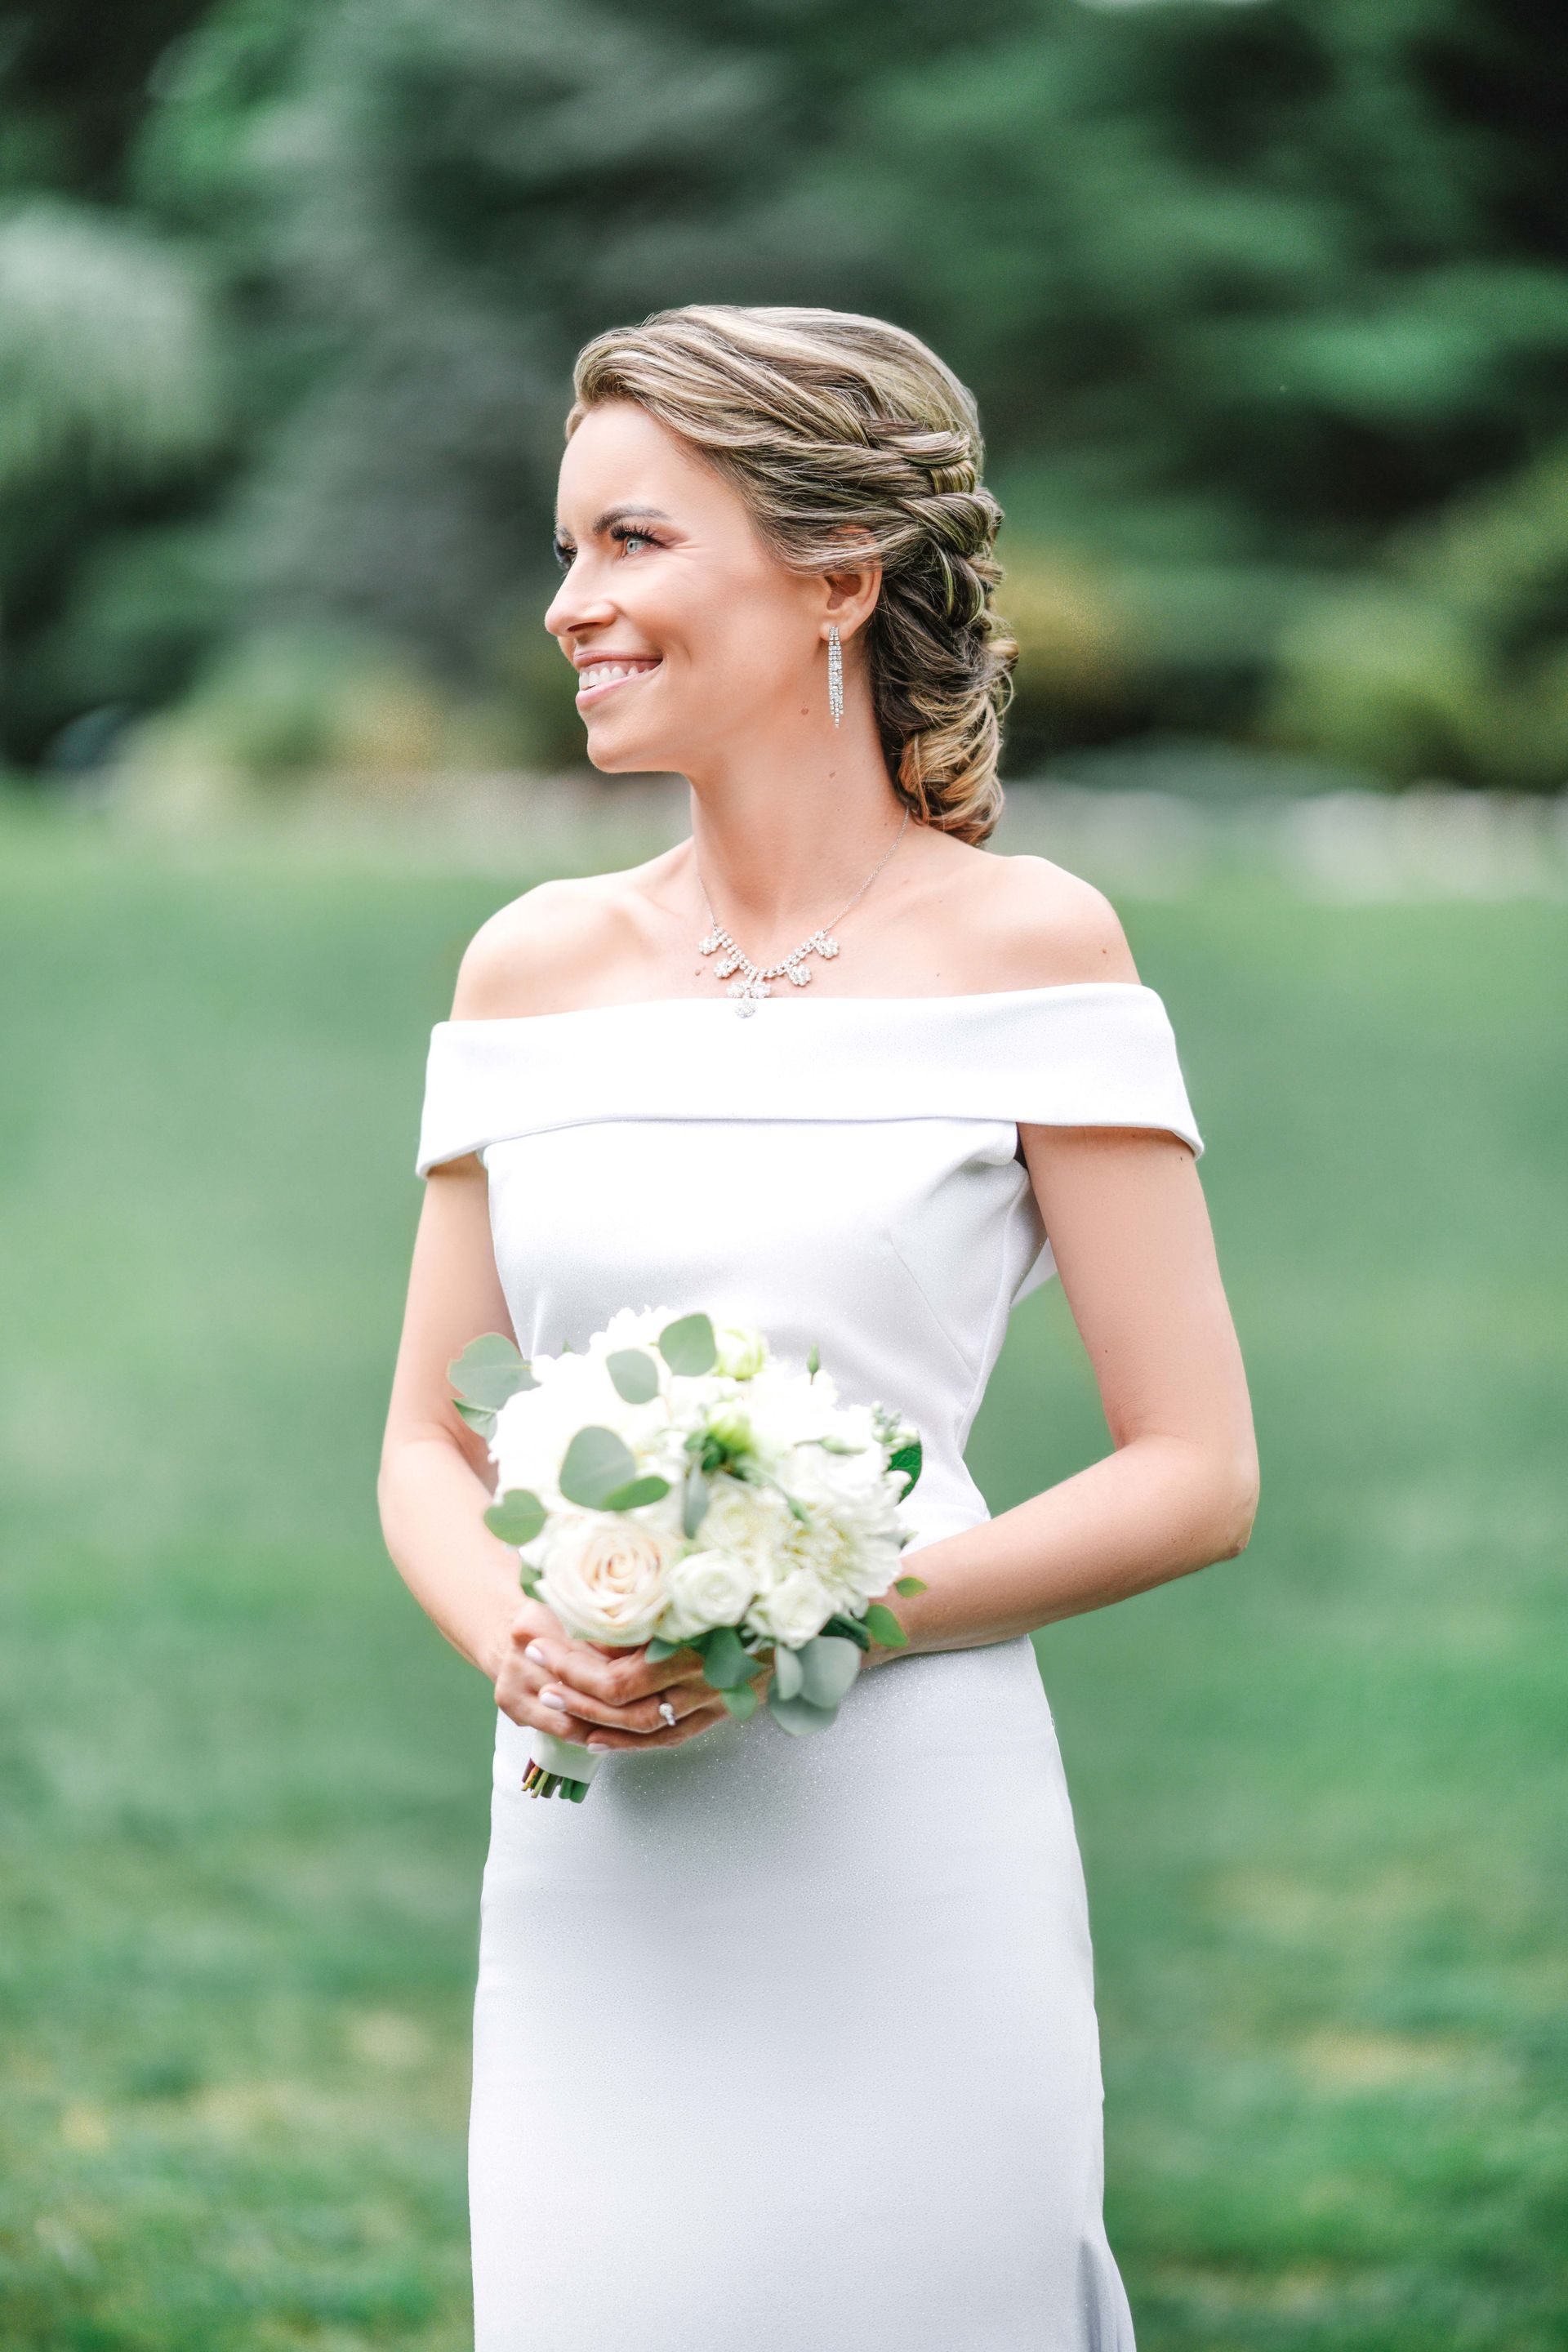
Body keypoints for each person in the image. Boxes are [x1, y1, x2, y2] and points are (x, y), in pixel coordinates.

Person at [378, 304, 1258, 2350]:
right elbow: (428, 1435)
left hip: (910, 1828)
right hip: (599, 1846)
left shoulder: (1036, 950)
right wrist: (521, 1638)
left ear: (839, 574)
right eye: (571, 549)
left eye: (630, 543)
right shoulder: (528, 969)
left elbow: (1196, 1471)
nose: (566, 604)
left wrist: (821, 1619)